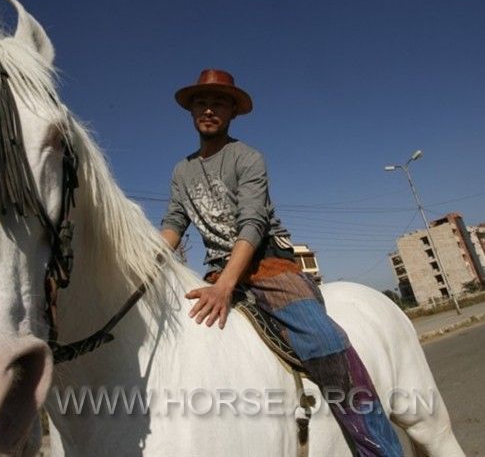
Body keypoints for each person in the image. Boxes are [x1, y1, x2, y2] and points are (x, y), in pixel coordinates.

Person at [160, 69, 403, 457]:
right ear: (190, 111)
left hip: (268, 265)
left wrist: (225, 286)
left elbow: (253, 222)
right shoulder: (181, 170)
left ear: (233, 112)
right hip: (217, 270)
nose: (209, 108)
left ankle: (380, 448)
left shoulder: (247, 157)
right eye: (200, 102)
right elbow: (174, 221)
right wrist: (150, 263)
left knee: (324, 338)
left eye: (219, 101)